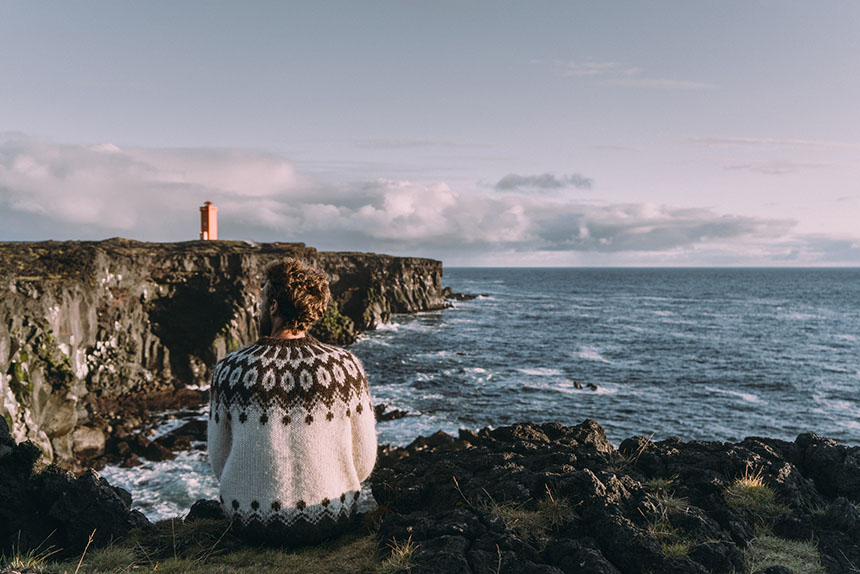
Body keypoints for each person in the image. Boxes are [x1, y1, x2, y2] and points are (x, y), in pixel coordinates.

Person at [207, 257, 377, 545]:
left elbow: (219, 460)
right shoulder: (345, 367)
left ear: (273, 307)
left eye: (262, 300)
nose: (259, 308)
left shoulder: (230, 370)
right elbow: (364, 461)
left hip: (248, 520)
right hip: (331, 516)